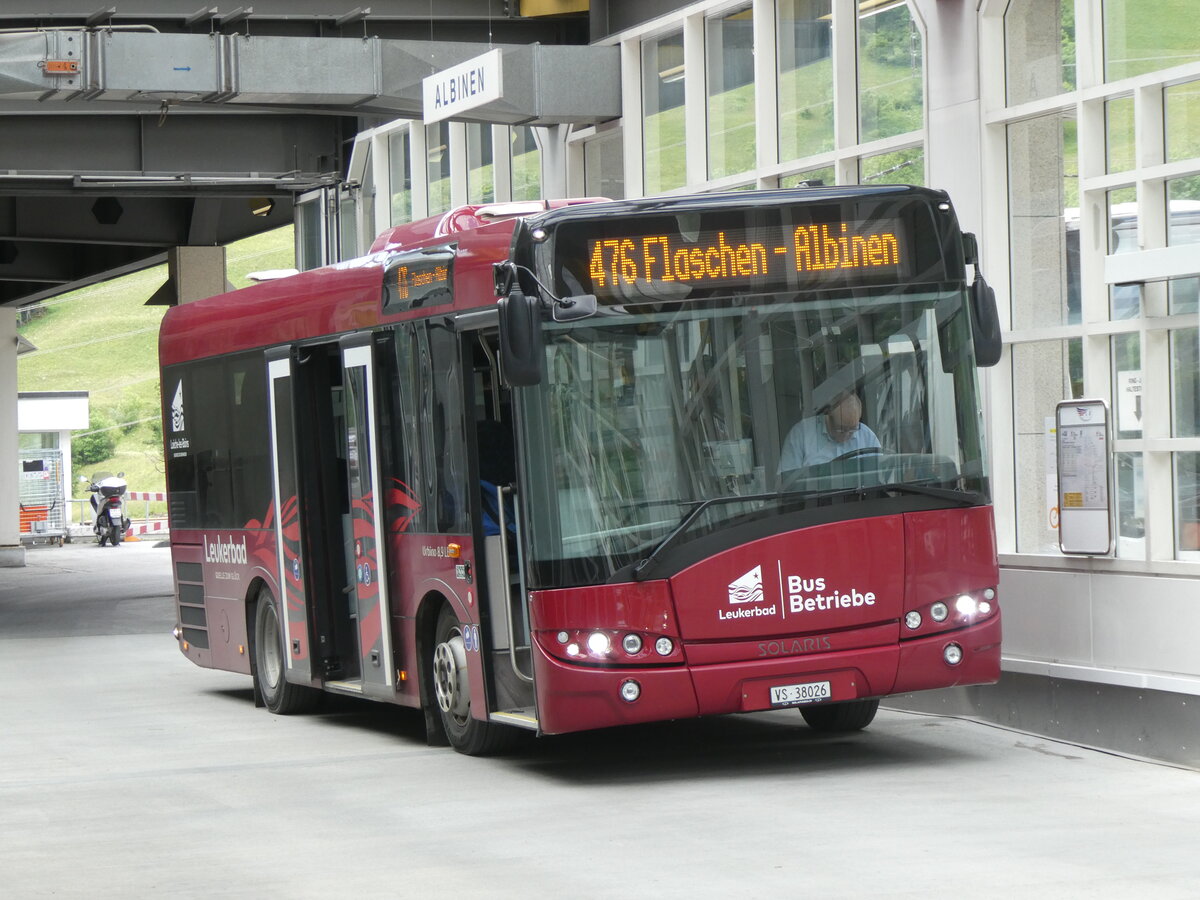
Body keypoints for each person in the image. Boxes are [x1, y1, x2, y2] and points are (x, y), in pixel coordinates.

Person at [779, 391, 880, 472]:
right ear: (828, 416)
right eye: (841, 429)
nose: (846, 435)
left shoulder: (867, 437)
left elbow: (879, 474)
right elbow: (788, 480)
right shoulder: (801, 434)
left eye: (852, 429)